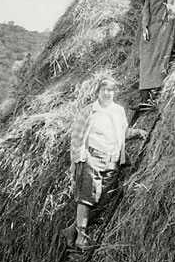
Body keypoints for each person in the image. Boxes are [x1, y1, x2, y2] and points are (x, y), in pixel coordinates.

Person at [61, 77, 146, 251]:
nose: (107, 93)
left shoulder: (118, 111)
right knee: (87, 197)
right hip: (92, 157)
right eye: (104, 90)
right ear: (98, 92)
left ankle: (71, 230)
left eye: (110, 90)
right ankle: (81, 239)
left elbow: (122, 133)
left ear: (114, 93)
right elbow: (76, 138)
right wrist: (76, 162)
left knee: (103, 199)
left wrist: (137, 132)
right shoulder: (89, 111)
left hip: (112, 159)